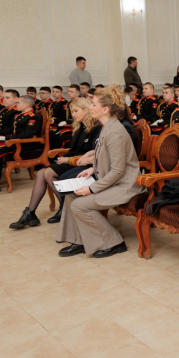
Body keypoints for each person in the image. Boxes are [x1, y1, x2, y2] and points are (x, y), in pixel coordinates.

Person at [56, 85, 144, 258]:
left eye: (93, 104)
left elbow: (117, 171)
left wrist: (91, 189)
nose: (90, 107)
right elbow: (105, 156)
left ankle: (114, 242)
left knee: (79, 205)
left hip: (125, 186)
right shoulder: (107, 126)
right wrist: (92, 169)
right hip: (113, 182)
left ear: (105, 109)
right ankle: (78, 240)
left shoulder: (115, 131)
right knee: (71, 195)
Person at [10, 97, 101, 228]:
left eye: (76, 111)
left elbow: (93, 154)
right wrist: (64, 158)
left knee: (48, 173)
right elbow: (73, 150)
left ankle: (63, 208)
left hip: (84, 164)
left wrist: (68, 159)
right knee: (41, 173)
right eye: (72, 111)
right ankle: (30, 212)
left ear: (86, 110)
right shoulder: (79, 126)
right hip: (73, 160)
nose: (73, 114)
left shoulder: (96, 127)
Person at [0, 95, 44, 196]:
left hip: (25, 144)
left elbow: (26, 135)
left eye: (18, 103)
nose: (16, 104)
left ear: (26, 105)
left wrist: (6, 138)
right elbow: (10, 129)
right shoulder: (20, 115)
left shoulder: (33, 117)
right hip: (14, 142)